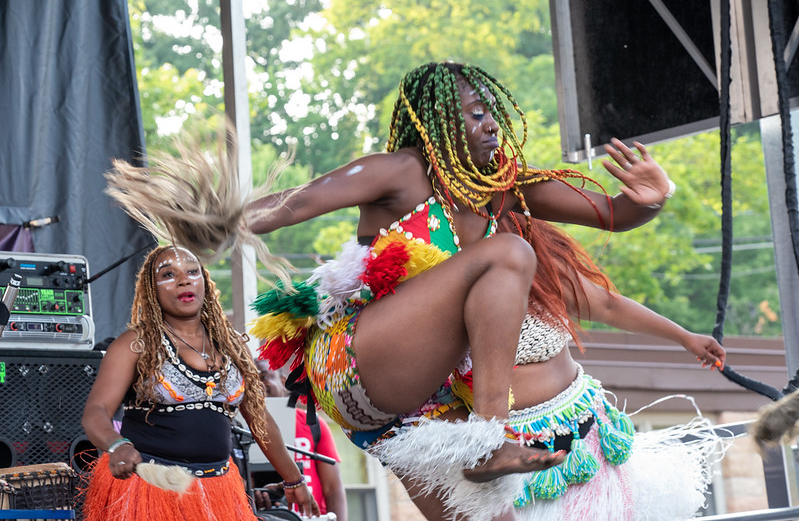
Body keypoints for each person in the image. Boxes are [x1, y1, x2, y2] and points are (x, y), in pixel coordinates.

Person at [244, 61, 678, 520]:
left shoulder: (497, 187)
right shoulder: (400, 172)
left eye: (491, 112)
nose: (491, 123)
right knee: (509, 252)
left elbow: (614, 213)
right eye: (475, 114)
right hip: (354, 360)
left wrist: (654, 197)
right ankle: (489, 438)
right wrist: (212, 221)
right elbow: (299, 202)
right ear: (438, 121)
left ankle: (483, 445)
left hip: (422, 401)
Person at [422, 213, 727, 520]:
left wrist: (685, 337)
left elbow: (608, 305)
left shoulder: (530, 255)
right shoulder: (431, 266)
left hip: (585, 431)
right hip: (507, 454)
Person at [80, 245, 319, 520]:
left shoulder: (232, 346)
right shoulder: (134, 345)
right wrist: (116, 445)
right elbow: (95, 411)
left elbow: (259, 419)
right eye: (168, 274)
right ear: (151, 289)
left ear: (204, 281)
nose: (184, 280)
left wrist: (294, 479)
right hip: (151, 488)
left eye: (192, 272)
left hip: (219, 489)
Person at [256, 360, 348, 520]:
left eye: (264, 377)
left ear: (283, 381)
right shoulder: (242, 430)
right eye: (252, 379)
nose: (258, 385)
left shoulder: (312, 423)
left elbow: (333, 488)